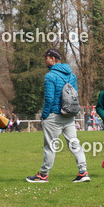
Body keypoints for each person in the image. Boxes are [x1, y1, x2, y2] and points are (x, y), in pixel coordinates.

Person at [26, 48, 89, 183]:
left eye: (46, 57)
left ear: (53, 59)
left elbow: (49, 99)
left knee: (50, 146)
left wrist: (43, 116)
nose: (45, 60)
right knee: (74, 144)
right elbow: (74, 95)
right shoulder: (72, 75)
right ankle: (83, 172)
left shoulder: (50, 76)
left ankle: (43, 175)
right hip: (69, 115)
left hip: (54, 116)